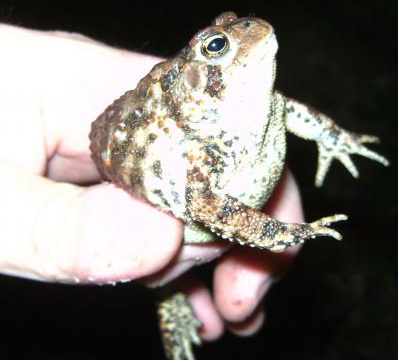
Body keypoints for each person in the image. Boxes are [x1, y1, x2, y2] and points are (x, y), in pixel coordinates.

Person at [0, 23, 304, 341]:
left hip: (209, 200)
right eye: (217, 47)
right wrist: (277, 233)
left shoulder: (255, 105)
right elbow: (203, 202)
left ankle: (171, 288)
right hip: (163, 213)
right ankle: (169, 295)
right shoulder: (201, 134)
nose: (249, 30)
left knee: (173, 260)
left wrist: (336, 139)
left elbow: (288, 111)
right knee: (163, 260)